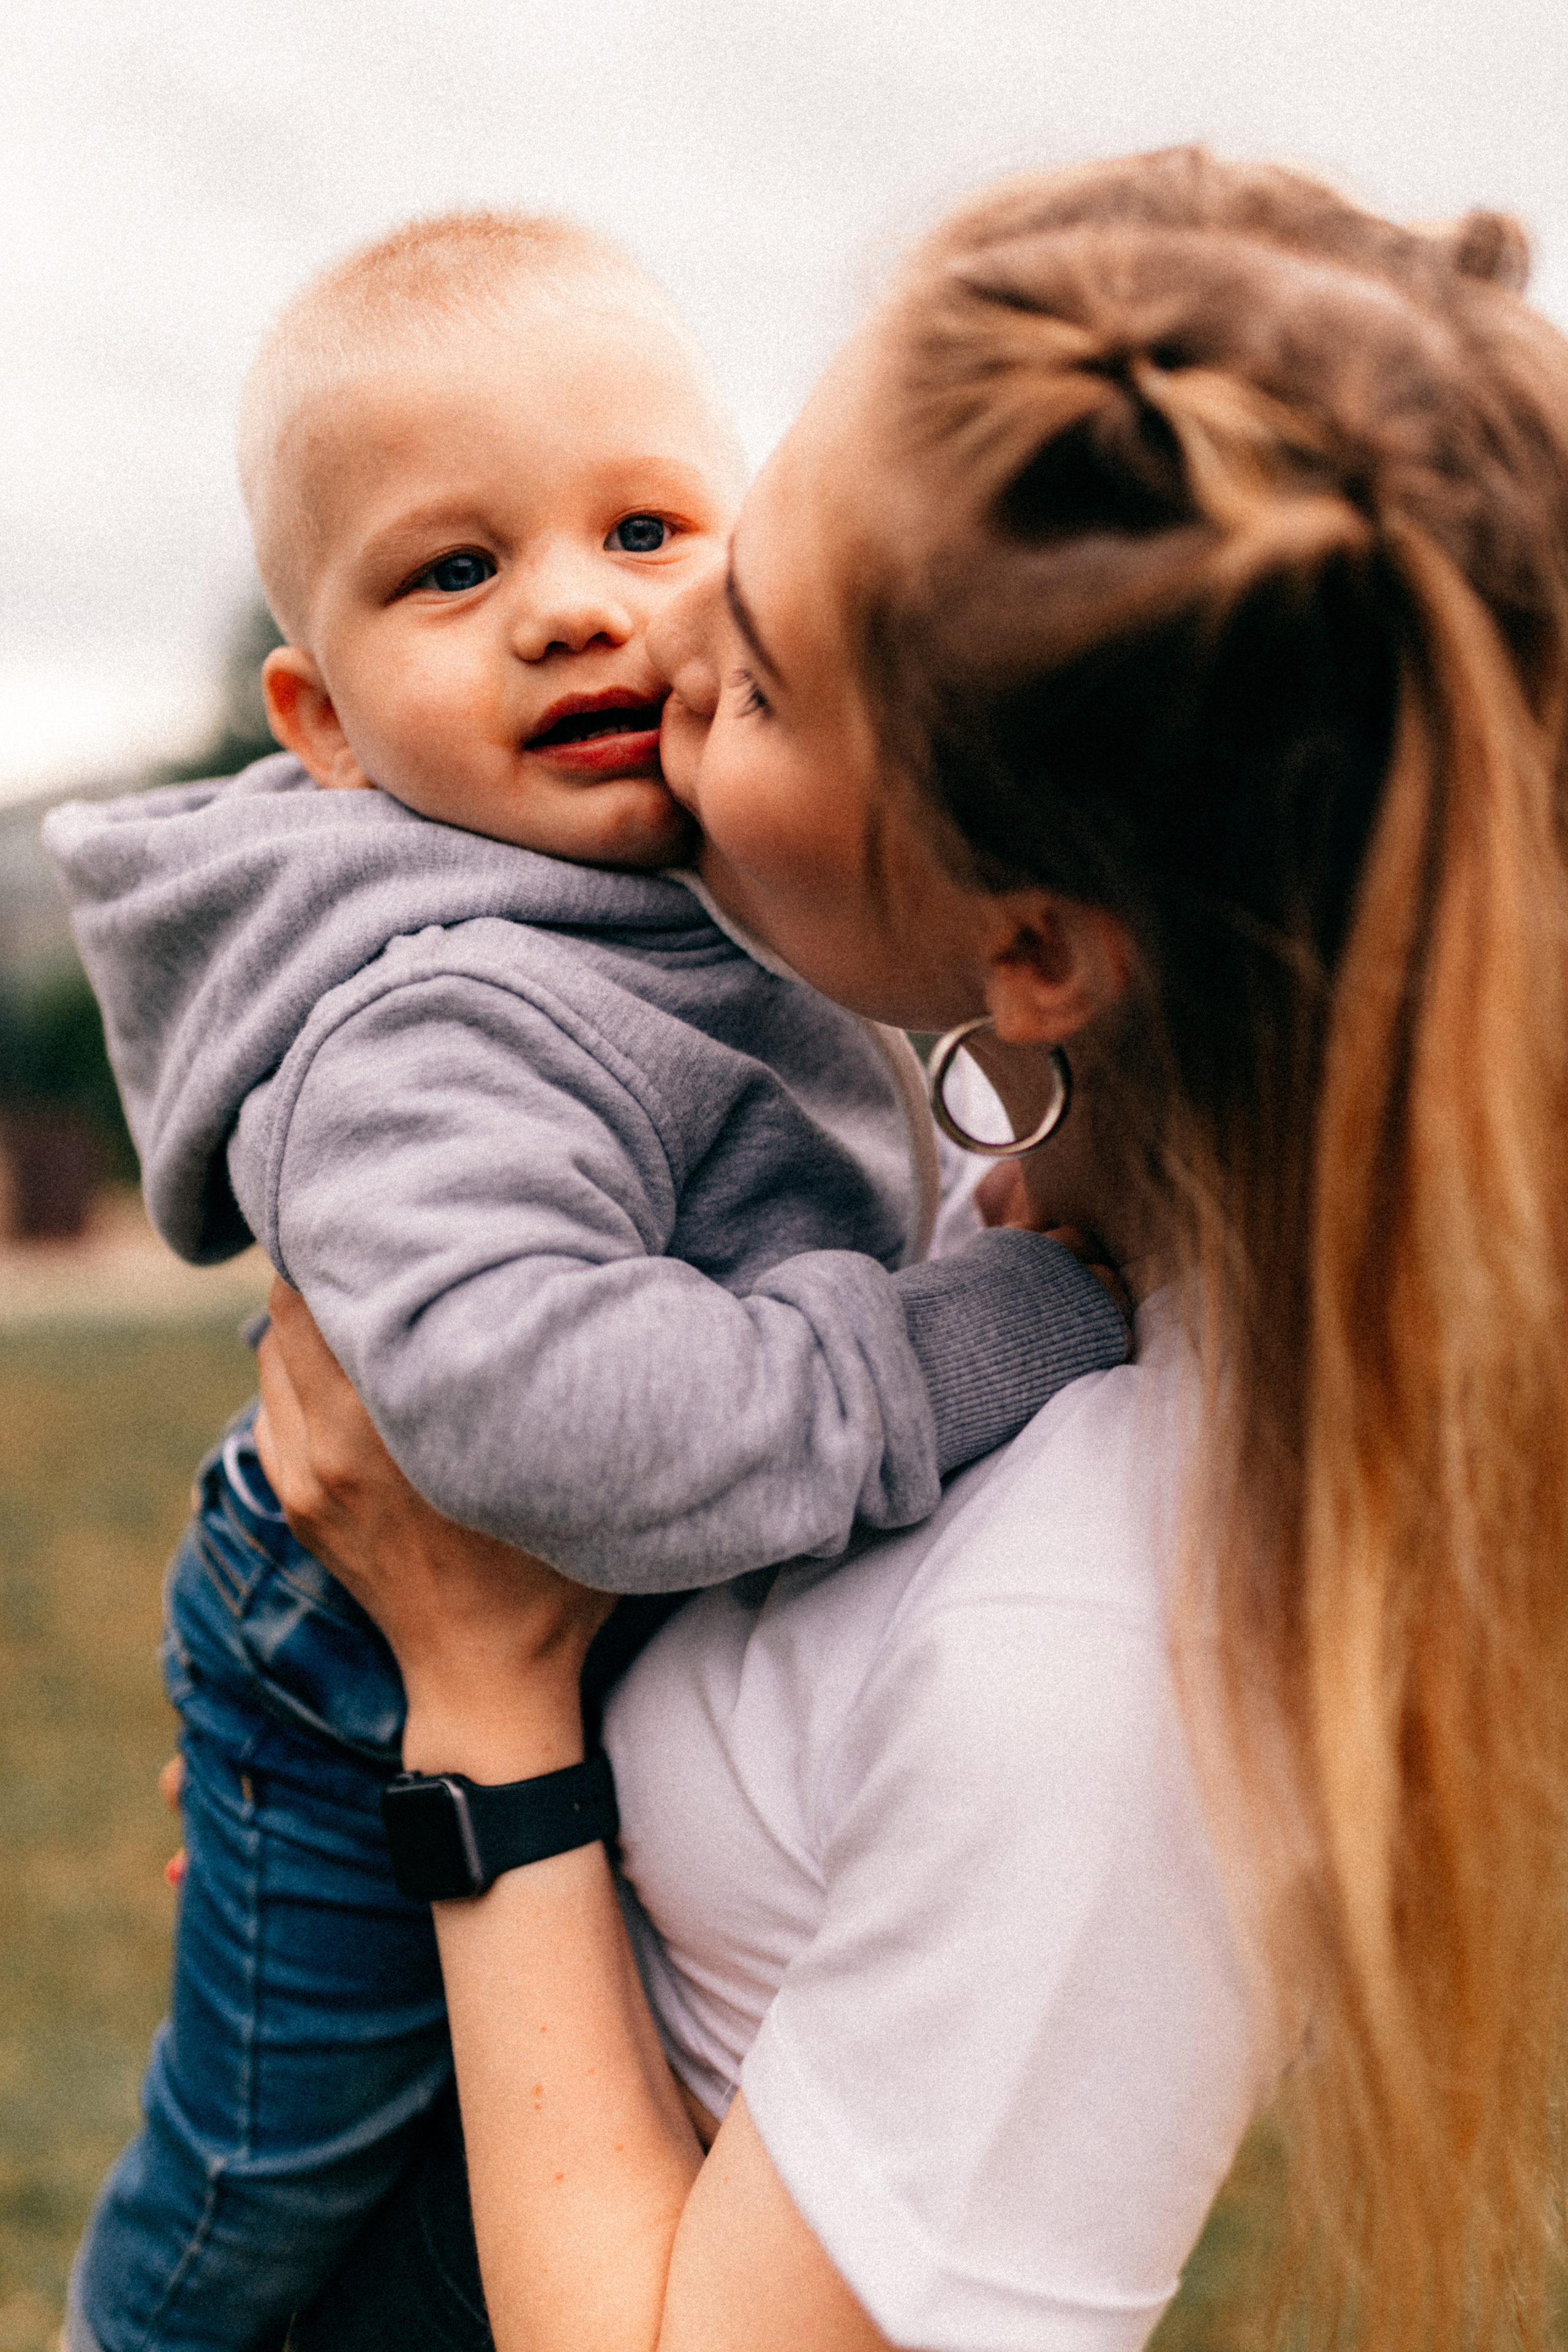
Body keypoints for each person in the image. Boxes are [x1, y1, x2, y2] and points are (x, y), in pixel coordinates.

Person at [254, 149, 1568, 2352]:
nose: (654, 663)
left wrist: (473, 1720)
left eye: (756, 678)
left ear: (1037, 944)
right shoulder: (988, 1169)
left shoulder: (1121, 1649)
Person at [47, 213, 1127, 2352]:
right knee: (286, 2154)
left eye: (644, 525)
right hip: (356, 1670)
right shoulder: (432, 1016)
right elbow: (536, 1409)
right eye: (452, 574)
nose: (567, 606)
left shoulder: (689, 896)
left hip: (567, 1619)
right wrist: (971, 1341)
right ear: (322, 720)